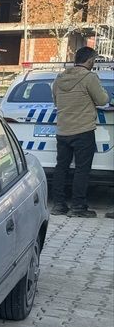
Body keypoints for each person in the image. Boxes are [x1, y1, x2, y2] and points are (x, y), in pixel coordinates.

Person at [50, 46, 109, 218]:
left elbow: (55, 100)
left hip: (63, 130)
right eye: (94, 61)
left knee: (61, 167)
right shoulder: (89, 78)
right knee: (82, 170)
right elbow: (102, 99)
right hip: (83, 130)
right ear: (90, 60)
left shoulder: (59, 78)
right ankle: (78, 207)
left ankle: (58, 205)